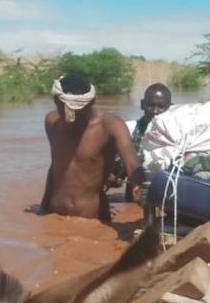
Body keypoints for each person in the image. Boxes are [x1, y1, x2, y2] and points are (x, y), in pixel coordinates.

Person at [41, 73, 145, 221]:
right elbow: (55, 166)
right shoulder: (51, 122)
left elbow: (132, 164)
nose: (71, 117)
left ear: (92, 102)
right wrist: (43, 209)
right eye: (65, 110)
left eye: (78, 111)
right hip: (54, 215)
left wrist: (141, 188)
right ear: (55, 101)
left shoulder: (111, 126)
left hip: (93, 219)